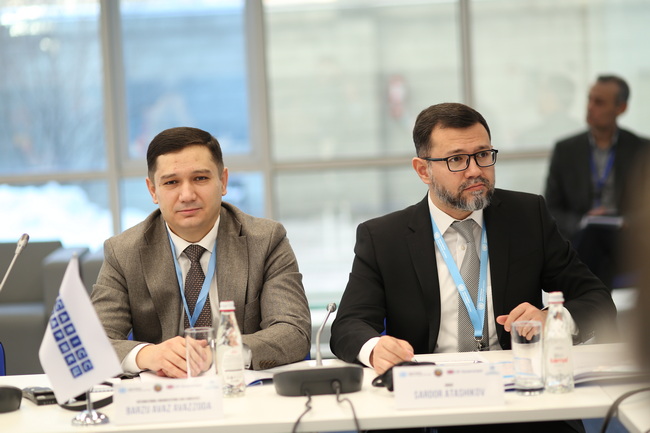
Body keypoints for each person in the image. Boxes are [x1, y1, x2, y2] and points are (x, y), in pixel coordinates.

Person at [330, 102, 617, 433]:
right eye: (456, 160)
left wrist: (552, 319)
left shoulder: (527, 216)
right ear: (423, 170)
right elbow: (349, 324)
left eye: (483, 155)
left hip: (521, 401)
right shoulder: (384, 237)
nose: (475, 170)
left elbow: (597, 299)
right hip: (427, 401)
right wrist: (375, 348)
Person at [91, 127, 311, 377]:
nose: (187, 195)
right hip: (164, 392)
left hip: (240, 387)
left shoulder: (266, 240)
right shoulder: (123, 252)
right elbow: (94, 342)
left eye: (200, 178)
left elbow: (293, 331)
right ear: (153, 190)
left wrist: (221, 353)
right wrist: (148, 355)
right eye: (171, 182)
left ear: (223, 181)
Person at [545, 75, 649, 289]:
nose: (590, 107)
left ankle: (593, 303)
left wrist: (626, 221)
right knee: (592, 238)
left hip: (626, 237)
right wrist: (583, 220)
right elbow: (551, 209)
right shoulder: (566, 150)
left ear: (621, 108)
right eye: (590, 99)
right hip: (581, 236)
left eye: (599, 102)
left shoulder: (641, 149)